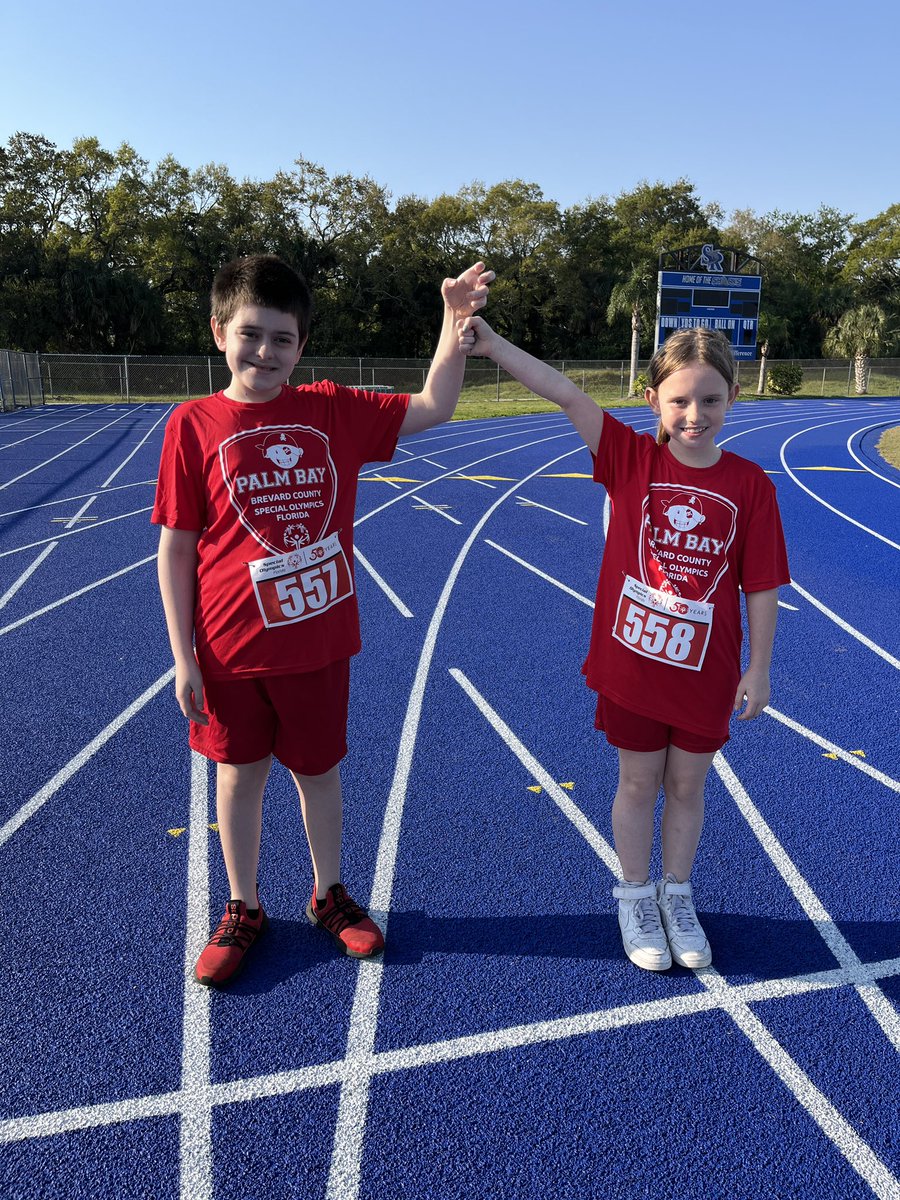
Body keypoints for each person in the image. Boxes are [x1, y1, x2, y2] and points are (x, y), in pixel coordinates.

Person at [153, 253, 493, 987]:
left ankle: (329, 894)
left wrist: (453, 315)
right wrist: (183, 656)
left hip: (317, 645)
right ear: (218, 332)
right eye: (251, 334)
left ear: (301, 347)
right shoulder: (193, 425)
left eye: (283, 339)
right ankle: (244, 905)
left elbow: (435, 406)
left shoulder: (331, 410)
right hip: (228, 650)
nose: (266, 352)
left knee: (318, 774)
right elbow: (176, 548)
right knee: (239, 777)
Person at [457, 316, 789, 971]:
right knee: (638, 785)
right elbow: (565, 393)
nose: (695, 415)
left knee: (688, 788)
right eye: (681, 400)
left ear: (734, 398)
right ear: (653, 401)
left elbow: (761, 585)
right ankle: (635, 896)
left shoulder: (752, 486)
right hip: (636, 665)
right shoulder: (631, 458)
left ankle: (677, 893)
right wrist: (493, 344)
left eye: (711, 399)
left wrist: (761, 667)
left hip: (705, 671)